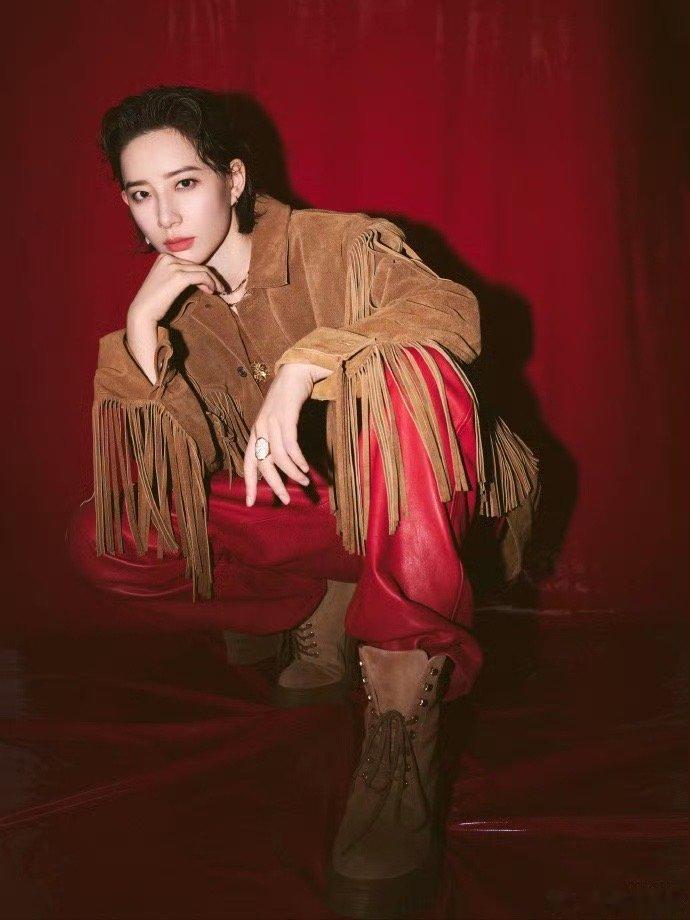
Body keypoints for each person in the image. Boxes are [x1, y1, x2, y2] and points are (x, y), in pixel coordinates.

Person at [66, 85, 539, 919]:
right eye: (141, 193)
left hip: (421, 507)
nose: (165, 215)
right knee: (110, 536)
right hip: (311, 525)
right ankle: (315, 597)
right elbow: (174, 469)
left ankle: (402, 714)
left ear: (233, 179)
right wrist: (141, 333)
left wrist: (304, 365)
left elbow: (450, 311)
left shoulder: (337, 244)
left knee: (413, 366)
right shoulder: (181, 310)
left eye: (185, 183)